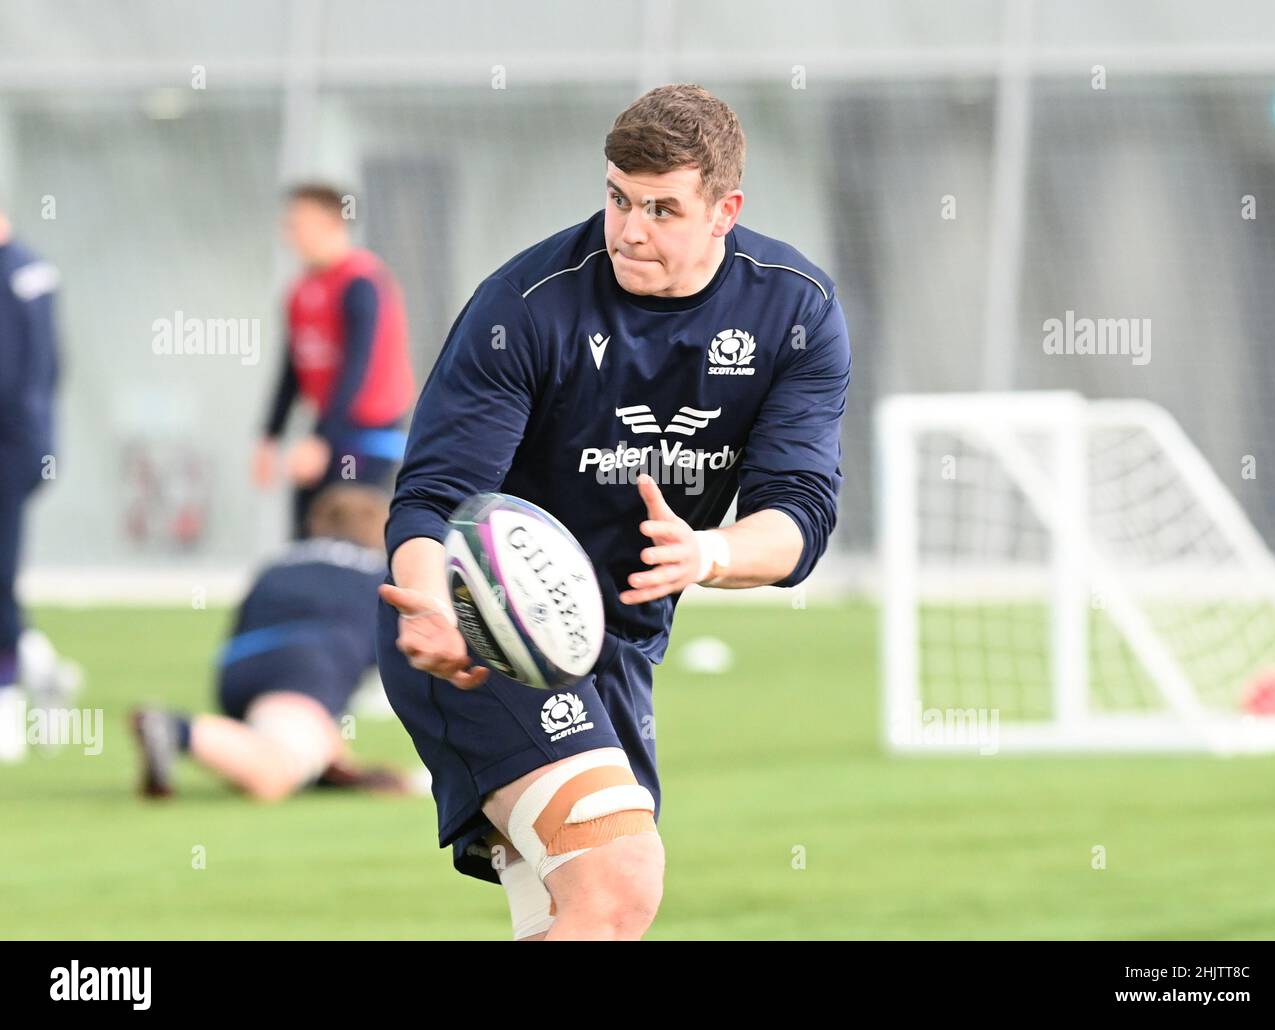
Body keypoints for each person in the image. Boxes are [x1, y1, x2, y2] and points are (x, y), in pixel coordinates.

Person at [376, 84, 851, 940]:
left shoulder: (794, 313)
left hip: (619, 646)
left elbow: (800, 515)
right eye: (618, 198)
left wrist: (705, 553)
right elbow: (430, 500)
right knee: (621, 877)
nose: (631, 228)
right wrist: (434, 605)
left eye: (664, 208)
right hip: (483, 636)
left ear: (724, 212)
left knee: (585, 916)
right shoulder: (526, 308)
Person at [131, 485, 409, 800]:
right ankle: (175, 729)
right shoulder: (379, 573)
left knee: (288, 734)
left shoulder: (279, 562)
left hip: (238, 670)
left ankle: (325, 761)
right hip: (306, 669)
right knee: (274, 775)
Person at [252, 184, 415, 538]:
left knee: (348, 532)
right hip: (327, 431)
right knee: (306, 530)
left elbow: (357, 368)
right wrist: (270, 436)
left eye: (298, 222)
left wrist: (320, 441)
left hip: (364, 437)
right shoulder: (299, 291)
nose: (288, 232)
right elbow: (292, 370)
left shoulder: (362, 283)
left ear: (331, 223)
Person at [0, 207, 65, 763]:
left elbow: (26, 375)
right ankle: (37, 661)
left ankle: (6, 705)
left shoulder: (24, 274)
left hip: (11, 449)